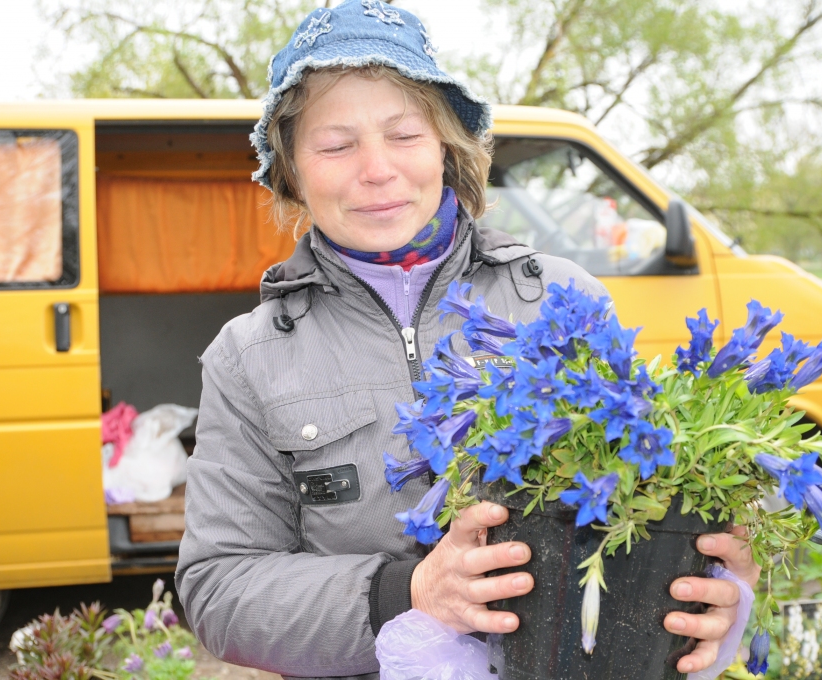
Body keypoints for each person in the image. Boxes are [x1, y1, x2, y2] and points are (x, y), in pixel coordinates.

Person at [176, 2, 760, 679]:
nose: (376, 170)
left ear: (447, 145)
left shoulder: (565, 302)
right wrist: (407, 593)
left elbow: (649, 511)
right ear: (292, 171)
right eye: (336, 145)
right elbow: (219, 592)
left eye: (404, 134)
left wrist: (716, 584)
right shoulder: (249, 356)